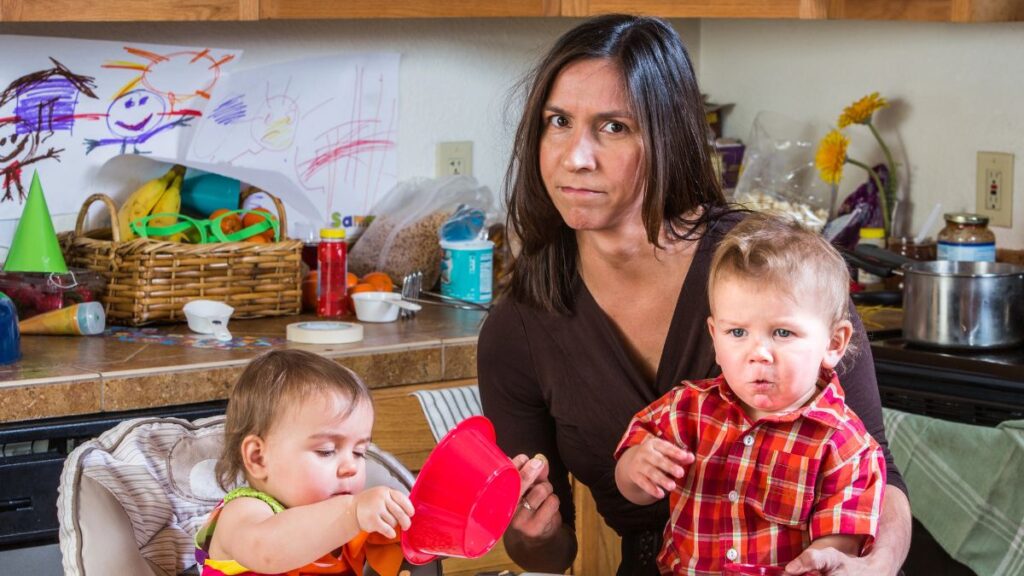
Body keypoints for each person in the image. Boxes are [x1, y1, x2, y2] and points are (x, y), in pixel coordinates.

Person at [477, 13, 911, 576]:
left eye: (614, 127)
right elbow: (552, 551)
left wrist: (876, 568)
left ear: (667, 137)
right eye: (558, 121)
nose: (575, 156)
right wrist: (528, 531)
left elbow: (880, 472)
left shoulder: (772, 267)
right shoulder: (519, 329)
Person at [614, 213, 886, 574]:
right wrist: (637, 469)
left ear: (834, 343)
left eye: (782, 333)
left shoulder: (846, 446)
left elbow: (836, 547)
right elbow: (630, 486)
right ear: (714, 336)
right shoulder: (686, 410)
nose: (758, 352)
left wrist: (822, 558)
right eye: (738, 333)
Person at [194, 349, 415, 576]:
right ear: (258, 458)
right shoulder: (244, 511)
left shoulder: (348, 522)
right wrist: (352, 513)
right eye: (326, 451)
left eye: (359, 452)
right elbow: (267, 552)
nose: (351, 467)